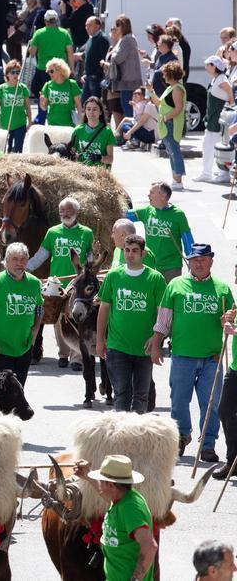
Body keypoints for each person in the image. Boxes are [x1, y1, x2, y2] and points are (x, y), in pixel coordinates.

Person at [151, 243, 231, 460]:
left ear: (211, 261)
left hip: (212, 358)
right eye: (194, 260)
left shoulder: (222, 289)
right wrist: (156, 344)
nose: (198, 263)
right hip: (182, 356)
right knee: (178, 401)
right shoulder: (175, 285)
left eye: (203, 259)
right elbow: (163, 320)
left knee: (211, 403)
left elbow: (230, 320)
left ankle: (208, 445)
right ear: (189, 262)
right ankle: (181, 436)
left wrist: (227, 320)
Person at [96, 234, 167, 414]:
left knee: (141, 395)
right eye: (126, 250)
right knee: (121, 393)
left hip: (144, 348)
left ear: (143, 253)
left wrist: (156, 339)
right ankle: (122, 430)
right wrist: (100, 340)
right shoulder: (113, 276)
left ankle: (137, 430)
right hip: (117, 346)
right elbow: (104, 309)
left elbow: (163, 314)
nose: (130, 254)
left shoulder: (156, 279)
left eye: (135, 250)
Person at [27, 197, 94, 369]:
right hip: (57, 283)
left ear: (76, 212)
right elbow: (42, 255)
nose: (65, 214)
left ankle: (76, 357)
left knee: (77, 318)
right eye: (62, 211)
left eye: (68, 210)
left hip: (77, 284)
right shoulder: (53, 232)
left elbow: (90, 256)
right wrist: (25, 267)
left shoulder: (86, 233)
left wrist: (91, 264)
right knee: (59, 321)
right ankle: (63, 354)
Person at [72, 455, 156, 581]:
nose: (100, 484)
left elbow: (150, 546)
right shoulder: (121, 499)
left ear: (111, 485)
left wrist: (136, 579)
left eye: (102, 480)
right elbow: (103, 493)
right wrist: (87, 475)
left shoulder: (131, 508)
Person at [0, 242, 44, 385]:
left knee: (19, 388)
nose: (19, 263)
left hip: (25, 347)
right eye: (15, 259)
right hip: (0, 349)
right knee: (6, 390)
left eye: (23, 259)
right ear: (6, 262)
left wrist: (35, 332)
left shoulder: (34, 283)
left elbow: (39, 307)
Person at [128, 181, 193, 282]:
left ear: (163, 196)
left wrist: (192, 260)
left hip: (171, 267)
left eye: (152, 192)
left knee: (169, 291)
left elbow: (187, 240)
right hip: (150, 264)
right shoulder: (147, 211)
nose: (148, 195)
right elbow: (125, 215)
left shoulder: (178, 215)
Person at [149, 63, 188, 190]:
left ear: (171, 74)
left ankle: (178, 180)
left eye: (165, 73)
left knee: (174, 151)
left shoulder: (177, 88)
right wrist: (150, 91)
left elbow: (178, 108)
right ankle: (175, 178)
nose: (163, 76)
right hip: (167, 124)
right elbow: (158, 103)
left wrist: (166, 118)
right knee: (171, 152)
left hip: (171, 124)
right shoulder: (171, 88)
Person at [201, 55, 233, 184]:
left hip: (218, 119)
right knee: (207, 146)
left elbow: (230, 93)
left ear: (214, 66)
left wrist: (231, 106)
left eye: (208, 64)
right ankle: (206, 173)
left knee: (220, 147)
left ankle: (223, 174)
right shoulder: (215, 79)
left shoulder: (222, 79)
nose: (205, 67)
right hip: (211, 118)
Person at [0, 60, 32, 153]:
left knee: (18, 150)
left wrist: (30, 122)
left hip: (20, 124)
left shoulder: (23, 88)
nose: (15, 75)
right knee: (6, 149)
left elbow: (27, 107)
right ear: (7, 74)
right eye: (13, 72)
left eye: (17, 72)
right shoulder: (1, 89)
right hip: (5, 124)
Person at [69, 96, 116, 169]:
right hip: (82, 171)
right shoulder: (78, 130)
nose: (91, 112)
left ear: (100, 112)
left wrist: (99, 158)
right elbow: (71, 154)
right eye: (88, 109)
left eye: (94, 109)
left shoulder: (107, 132)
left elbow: (110, 159)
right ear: (85, 111)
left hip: (99, 172)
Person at [39, 58, 83, 127]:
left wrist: (80, 122)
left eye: (51, 71)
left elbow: (78, 105)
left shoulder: (72, 84)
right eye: (48, 72)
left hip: (69, 125)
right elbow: (44, 108)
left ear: (60, 70)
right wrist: (41, 102)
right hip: (52, 124)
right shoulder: (47, 85)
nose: (49, 74)